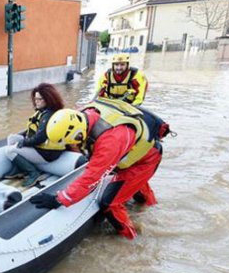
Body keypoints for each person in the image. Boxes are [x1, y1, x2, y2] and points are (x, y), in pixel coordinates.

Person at [30, 97, 163, 240]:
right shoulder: (84, 114)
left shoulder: (111, 141)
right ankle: (150, 206)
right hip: (135, 149)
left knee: (110, 203)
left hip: (145, 161)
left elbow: (92, 177)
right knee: (133, 185)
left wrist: (60, 199)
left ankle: (131, 238)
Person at [4, 83, 66, 187]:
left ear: (48, 99)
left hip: (46, 153)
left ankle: (33, 173)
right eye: (35, 99)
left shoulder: (49, 115)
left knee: (9, 151)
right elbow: (34, 128)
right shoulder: (42, 112)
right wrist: (21, 136)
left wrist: (23, 142)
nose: (36, 101)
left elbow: (40, 138)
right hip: (41, 148)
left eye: (40, 99)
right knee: (11, 138)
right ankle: (19, 168)